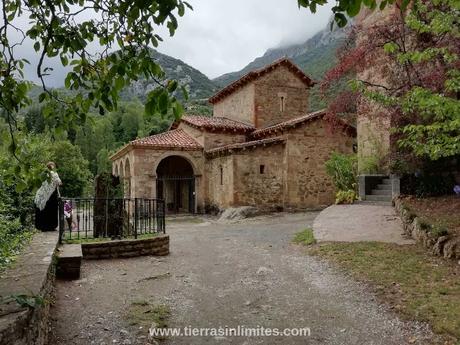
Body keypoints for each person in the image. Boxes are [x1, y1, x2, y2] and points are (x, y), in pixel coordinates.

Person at [34, 162, 62, 231]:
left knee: (43, 211)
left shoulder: (42, 174)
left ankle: (42, 227)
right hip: (51, 196)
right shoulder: (54, 174)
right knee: (51, 210)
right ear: (53, 167)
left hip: (41, 195)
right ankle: (51, 226)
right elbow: (60, 183)